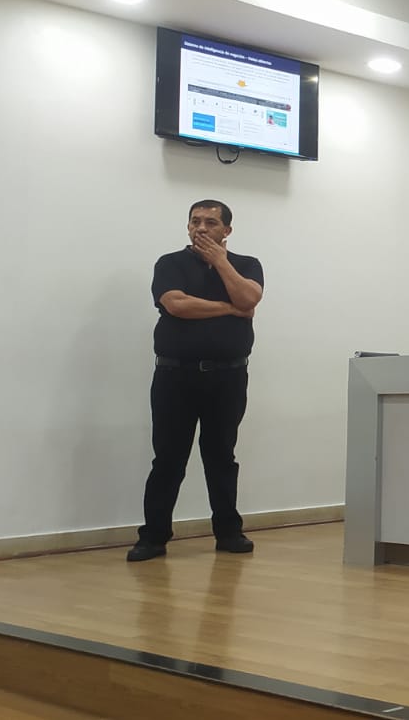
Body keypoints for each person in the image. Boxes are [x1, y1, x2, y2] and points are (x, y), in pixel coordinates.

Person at [127, 199, 264, 563]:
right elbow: (176, 304)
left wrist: (221, 262)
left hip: (229, 376)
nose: (201, 228)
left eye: (210, 222)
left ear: (227, 230)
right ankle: (153, 537)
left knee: (221, 456)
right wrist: (231, 309)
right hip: (175, 376)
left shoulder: (246, 265)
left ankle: (229, 532)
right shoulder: (170, 263)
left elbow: (249, 296)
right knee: (168, 458)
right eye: (195, 221)